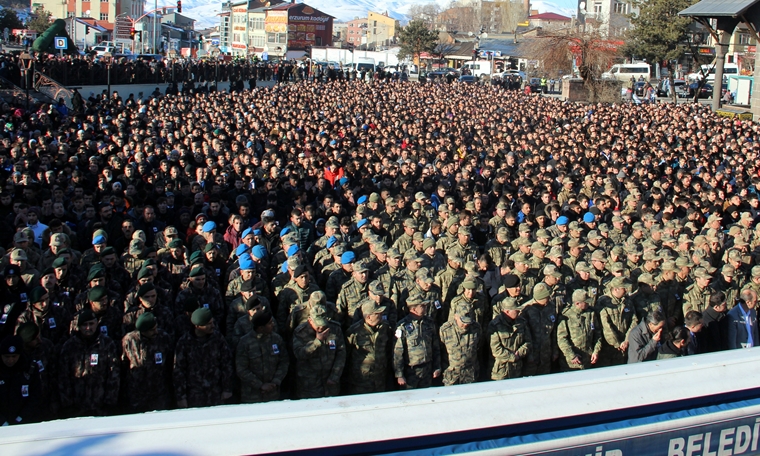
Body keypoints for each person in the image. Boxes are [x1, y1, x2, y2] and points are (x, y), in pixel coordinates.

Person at [57, 310, 120, 417]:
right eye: (84, 325)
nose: (88, 328)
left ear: (97, 323)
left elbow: (113, 373)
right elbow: (63, 377)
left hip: (100, 404)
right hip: (77, 406)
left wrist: (110, 401)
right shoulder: (69, 346)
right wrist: (67, 403)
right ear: (79, 326)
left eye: (91, 324)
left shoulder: (107, 344)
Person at [173, 308, 233, 408]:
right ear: (197, 326)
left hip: (215, 392)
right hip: (194, 394)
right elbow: (179, 371)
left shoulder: (218, 339)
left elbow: (226, 364)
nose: (213, 326)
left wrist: (227, 389)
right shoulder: (184, 342)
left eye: (212, 322)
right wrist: (181, 397)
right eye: (208, 324)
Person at [121, 312, 174, 412]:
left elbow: (170, 362)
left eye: (156, 328)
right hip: (137, 393)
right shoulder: (129, 340)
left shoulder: (163, 338)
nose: (156, 332)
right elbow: (123, 365)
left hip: (159, 392)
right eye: (152, 330)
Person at [292, 304, 346, 398]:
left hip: (330, 382)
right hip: (310, 385)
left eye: (323, 324)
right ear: (310, 320)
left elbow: (341, 353)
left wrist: (334, 376)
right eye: (318, 324)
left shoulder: (335, 329)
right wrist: (317, 342)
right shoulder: (300, 332)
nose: (321, 327)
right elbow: (299, 354)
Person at [236, 311, 289, 403]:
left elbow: (284, 361)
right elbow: (241, 369)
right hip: (252, 395)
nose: (273, 324)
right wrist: (260, 385)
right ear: (261, 328)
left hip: (273, 393)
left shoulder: (276, 339)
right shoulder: (245, 342)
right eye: (269, 323)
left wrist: (276, 381)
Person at [344, 299, 393, 394]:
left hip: (380, 378)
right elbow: (346, 355)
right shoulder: (354, 332)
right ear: (369, 316)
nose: (381, 315)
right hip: (361, 380)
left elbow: (389, 349)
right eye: (377, 313)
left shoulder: (385, 328)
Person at [393, 297, 441, 389]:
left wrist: (437, 366)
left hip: (427, 368)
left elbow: (435, 346)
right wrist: (399, 374)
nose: (425, 307)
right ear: (414, 309)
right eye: (422, 306)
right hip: (411, 371)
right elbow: (398, 352)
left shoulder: (429, 322)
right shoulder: (403, 326)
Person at [0, 335, 41, 425]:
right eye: (6, 357)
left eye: (14, 356)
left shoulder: (30, 368)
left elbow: (36, 396)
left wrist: (21, 418)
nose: (10, 360)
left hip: (25, 422)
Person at [556, 290, 601, 371]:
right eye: (585, 302)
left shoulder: (591, 313)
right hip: (571, 363)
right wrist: (571, 355)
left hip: (588, 360)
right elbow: (562, 339)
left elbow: (597, 334)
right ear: (577, 303)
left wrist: (596, 351)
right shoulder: (566, 316)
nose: (588, 304)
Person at [488, 297, 531, 380]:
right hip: (500, 371)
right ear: (507, 311)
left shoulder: (521, 322)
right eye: (516, 310)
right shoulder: (495, 325)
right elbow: (495, 349)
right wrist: (512, 357)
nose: (519, 312)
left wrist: (519, 353)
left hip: (517, 369)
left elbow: (528, 341)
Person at [439, 302, 481, 386]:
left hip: (470, 374)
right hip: (452, 375)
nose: (465, 325)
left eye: (468, 322)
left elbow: (478, 346)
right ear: (455, 316)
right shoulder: (445, 330)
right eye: (463, 322)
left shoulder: (476, 328)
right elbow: (440, 350)